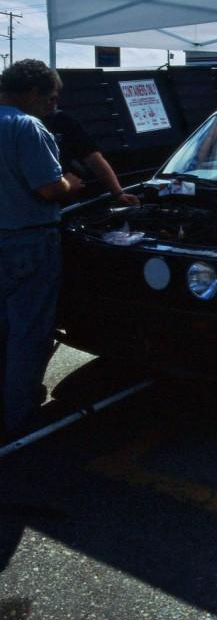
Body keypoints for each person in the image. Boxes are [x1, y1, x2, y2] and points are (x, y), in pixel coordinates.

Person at [0, 60, 84, 440]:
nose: (52, 105)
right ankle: (18, 416)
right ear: (31, 92)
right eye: (49, 98)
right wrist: (71, 181)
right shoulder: (26, 126)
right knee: (29, 332)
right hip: (27, 240)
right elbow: (48, 189)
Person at [44, 103, 140, 207]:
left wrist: (118, 193)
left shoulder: (62, 120)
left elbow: (93, 157)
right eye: (51, 98)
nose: (53, 103)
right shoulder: (28, 126)